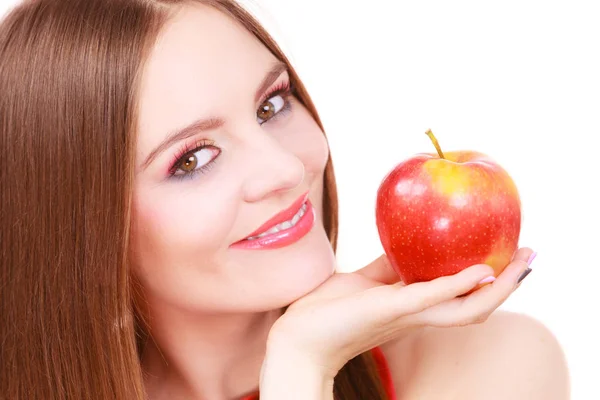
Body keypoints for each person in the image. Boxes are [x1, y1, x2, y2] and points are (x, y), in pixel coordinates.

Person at [0, 0, 570, 399]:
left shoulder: (488, 366)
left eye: (271, 105)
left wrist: (303, 362)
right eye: (193, 159)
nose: (287, 168)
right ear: (81, 231)